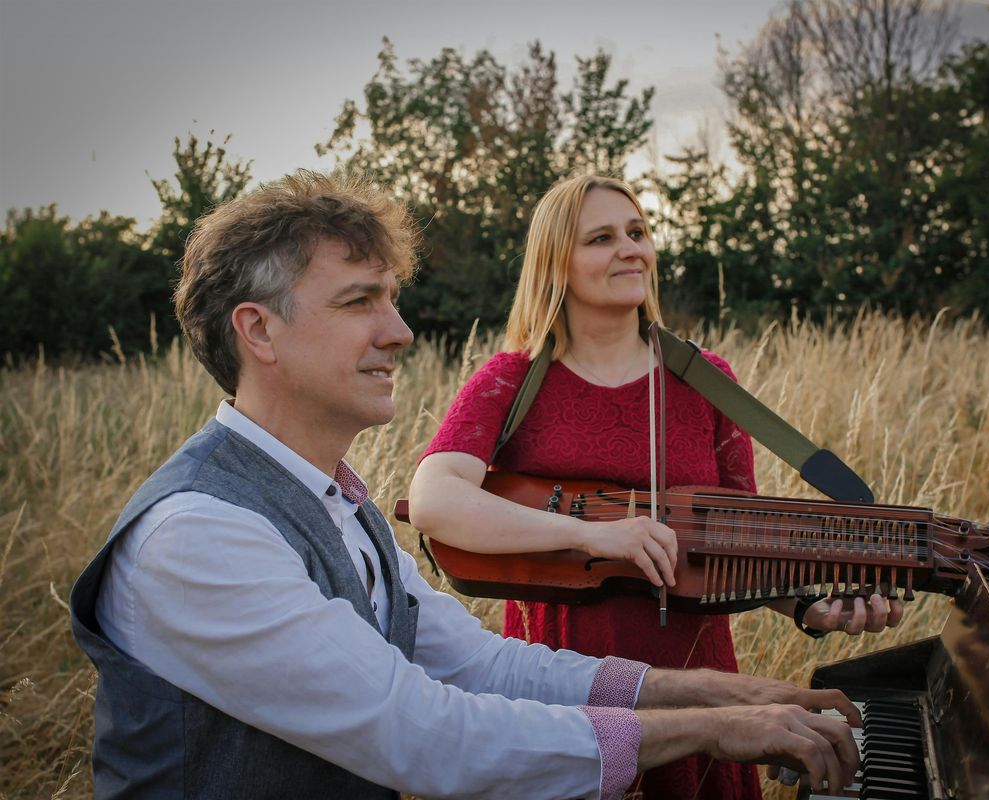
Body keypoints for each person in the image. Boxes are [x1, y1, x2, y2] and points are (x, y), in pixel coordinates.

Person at [69, 169, 866, 800]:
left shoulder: (342, 509)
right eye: (360, 302)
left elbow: (488, 667)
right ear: (258, 330)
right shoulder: (202, 534)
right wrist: (711, 730)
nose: (401, 332)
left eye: (392, 299)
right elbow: (420, 732)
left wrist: (726, 695)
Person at [408, 174, 904, 799]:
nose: (630, 249)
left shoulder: (707, 380)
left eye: (638, 233)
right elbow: (434, 498)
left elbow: (738, 544)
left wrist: (808, 603)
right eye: (602, 237)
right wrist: (595, 535)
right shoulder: (511, 379)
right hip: (563, 677)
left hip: (700, 680)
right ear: (556, 262)